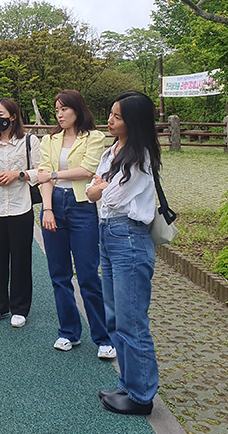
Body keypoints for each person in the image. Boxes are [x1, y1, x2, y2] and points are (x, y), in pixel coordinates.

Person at [88, 91, 161, 416]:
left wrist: (101, 188)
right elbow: (94, 193)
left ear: (132, 120)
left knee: (132, 321)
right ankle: (127, 383)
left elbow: (113, 197)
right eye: (111, 114)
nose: (110, 120)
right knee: (116, 316)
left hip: (129, 237)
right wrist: (101, 188)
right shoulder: (111, 152)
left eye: (116, 116)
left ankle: (141, 395)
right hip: (109, 234)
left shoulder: (141, 156)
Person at [37, 90, 116, 360]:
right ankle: (68, 332)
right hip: (54, 203)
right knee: (59, 275)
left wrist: (55, 174)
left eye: (65, 109)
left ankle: (103, 337)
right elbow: (43, 176)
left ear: (77, 110)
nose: (59, 114)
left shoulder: (94, 137)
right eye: (57, 110)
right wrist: (47, 209)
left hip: (83, 206)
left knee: (87, 275)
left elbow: (87, 170)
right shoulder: (49, 140)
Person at [0, 98, 39, 328]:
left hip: (21, 206)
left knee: (21, 258)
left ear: (12, 116)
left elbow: (40, 171)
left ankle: (19, 307)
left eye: (1, 114)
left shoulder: (29, 141)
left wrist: (18, 175)